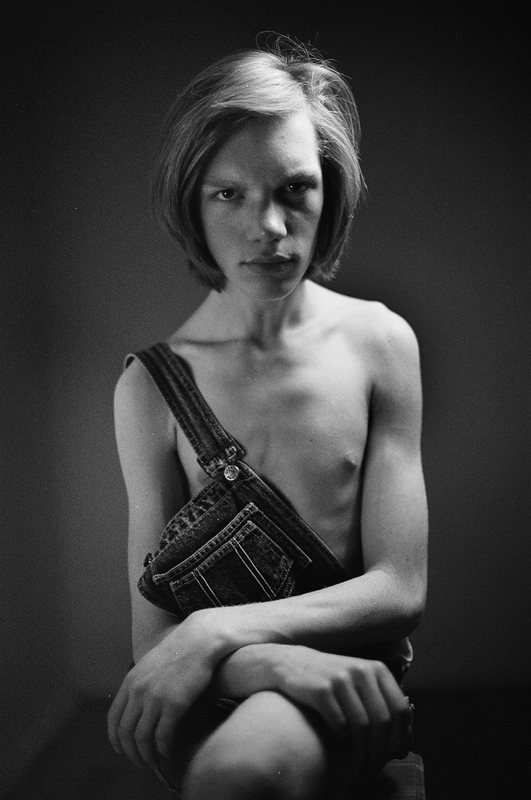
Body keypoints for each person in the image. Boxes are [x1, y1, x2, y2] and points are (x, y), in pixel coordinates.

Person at [107, 38, 428, 800]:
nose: (271, 227)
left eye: (294, 189)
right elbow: (153, 640)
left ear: (329, 190)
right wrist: (271, 661)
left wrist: (215, 628)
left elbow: (399, 587)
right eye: (229, 194)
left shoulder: (379, 343)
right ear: (191, 202)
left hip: (342, 685)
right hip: (217, 688)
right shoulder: (150, 389)